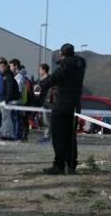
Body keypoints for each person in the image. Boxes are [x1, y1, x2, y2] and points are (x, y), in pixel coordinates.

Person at [36, 43, 86, 174]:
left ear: (62, 54)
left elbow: (53, 78)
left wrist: (40, 85)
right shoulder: (80, 66)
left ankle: (58, 165)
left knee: (58, 136)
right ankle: (71, 164)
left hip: (62, 104)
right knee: (71, 137)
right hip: (75, 105)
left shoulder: (65, 65)